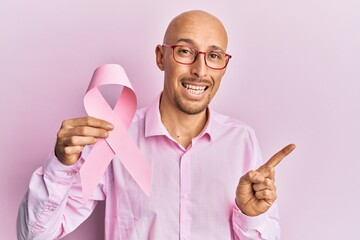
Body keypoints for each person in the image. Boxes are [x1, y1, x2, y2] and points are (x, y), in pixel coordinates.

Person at [17, 10, 295, 240]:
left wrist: (250, 216)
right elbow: (34, 235)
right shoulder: (115, 138)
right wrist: (60, 166)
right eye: (185, 51)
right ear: (161, 57)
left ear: (224, 64)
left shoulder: (241, 140)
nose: (200, 70)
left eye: (213, 56)